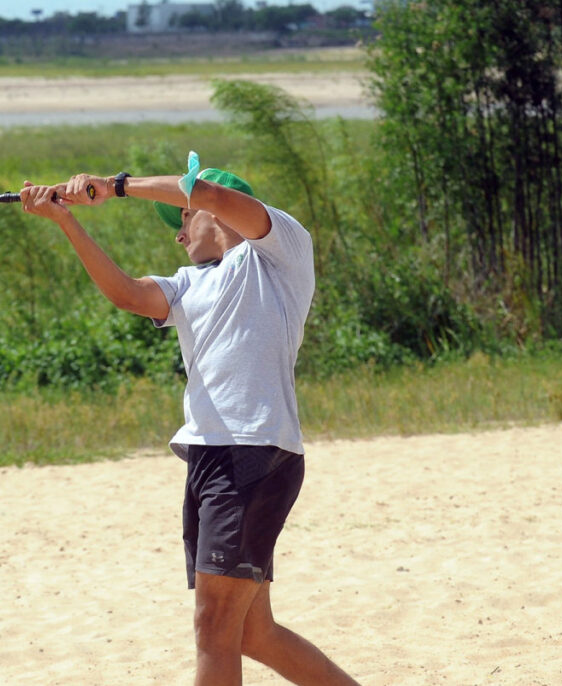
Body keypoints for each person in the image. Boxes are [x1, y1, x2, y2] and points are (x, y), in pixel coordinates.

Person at [19, 154, 360, 686]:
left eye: (181, 219)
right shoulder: (189, 284)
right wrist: (68, 221)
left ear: (207, 210)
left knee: (214, 627)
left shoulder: (278, 250)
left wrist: (116, 187)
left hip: (251, 453)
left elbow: (214, 197)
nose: (179, 237)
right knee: (252, 633)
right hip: (210, 457)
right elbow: (128, 294)